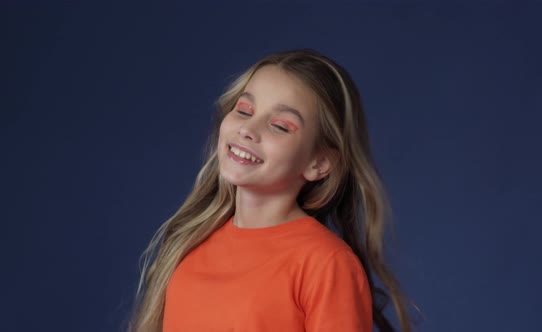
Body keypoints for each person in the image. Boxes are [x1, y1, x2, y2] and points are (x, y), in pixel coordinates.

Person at [128, 49, 412, 332]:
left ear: (320, 163)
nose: (248, 129)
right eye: (244, 110)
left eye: (280, 126)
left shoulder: (326, 263)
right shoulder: (189, 245)